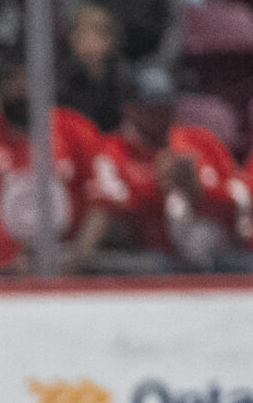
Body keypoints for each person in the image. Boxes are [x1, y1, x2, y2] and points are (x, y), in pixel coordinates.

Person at [74, 65, 253, 273]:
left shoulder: (200, 141)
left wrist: (199, 191)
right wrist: (157, 187)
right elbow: (106, 210)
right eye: (151, 109)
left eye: (165, 107)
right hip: (153, 262)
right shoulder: (112, 152)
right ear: (130, 109)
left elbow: (242, 195)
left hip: (220, 257)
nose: (161, 116)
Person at [0, 56, 104, 273]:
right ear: (0, 87)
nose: (22, 87)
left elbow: (103, 195)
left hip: (68, 256)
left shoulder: (76, 130)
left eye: (30, 79)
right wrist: (8, 254)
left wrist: (80, 253)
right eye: (14, 79)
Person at [55, 3, 130, 134]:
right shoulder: (62, 79)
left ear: (110, 39)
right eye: (82, 33)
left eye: (96, 34)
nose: (88, 41)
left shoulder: (122, 77)